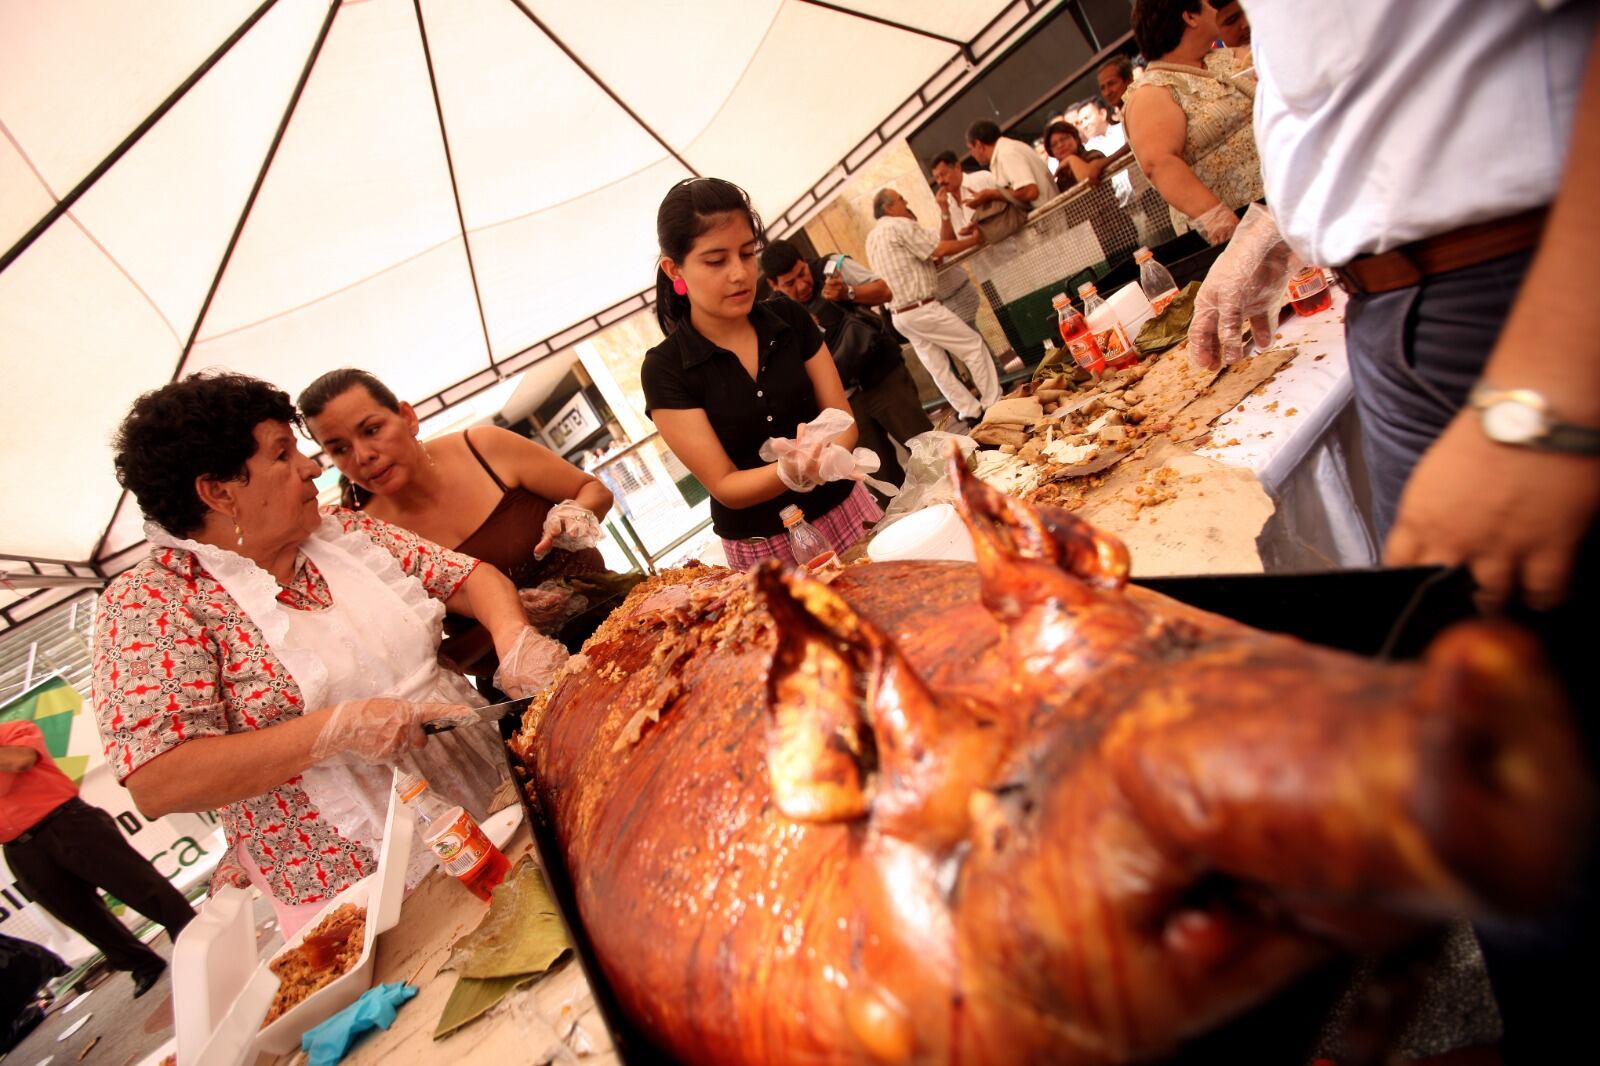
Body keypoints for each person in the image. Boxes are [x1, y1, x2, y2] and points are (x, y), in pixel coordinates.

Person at [1190, 6, 1600, 1058]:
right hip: (1403, 313)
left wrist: (1550, 380)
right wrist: (1279, 222)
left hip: (1524, 280)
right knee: (1492, 761)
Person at [92, 372, 565, 935]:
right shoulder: (152, 603)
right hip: (369, 886)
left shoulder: (341, 533)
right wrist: (336, 730)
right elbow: (158, 779)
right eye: (282, 454)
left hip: (490, 790)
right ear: (218, 492)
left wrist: (514, 639)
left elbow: (470, 578)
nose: (312, 467)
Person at [299, 369, 629, 666]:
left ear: (407, 417)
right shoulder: (367, 539)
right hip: (525, 692)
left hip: (622, 623)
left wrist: (577, 512)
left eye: (372, 430)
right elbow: (432, 658)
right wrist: (506, 622)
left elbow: (593, 490)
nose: (363, 455)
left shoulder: (484, 446)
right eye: (340, 449)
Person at [641, 177, 883, 570]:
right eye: (716, 261)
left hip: (847, 510)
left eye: (747, 253)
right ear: (674, 269)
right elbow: (724, 485)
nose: (739, 274)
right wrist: (790, 469)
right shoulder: (664, 370)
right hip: (765, 551)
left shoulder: (788, 318)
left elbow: (843, 420)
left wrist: (823, 446)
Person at [1, 720, 193, 998]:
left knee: (137, 884)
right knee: (79, 915)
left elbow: (21, 760)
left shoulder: (13, 730)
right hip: (19, 847)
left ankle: (192, 936)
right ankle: (141, 964)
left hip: (65, 822)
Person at [760, 239, 933, 496]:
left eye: (802, 273)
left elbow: (885, 291)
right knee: (877, 476)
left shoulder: (833, 266)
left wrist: (847, 293)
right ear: (774, 285)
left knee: (928, 450)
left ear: (805, 261)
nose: (802, 285)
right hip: (846, 405)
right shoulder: (775, 313)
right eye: (790, 283)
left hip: (884, 378)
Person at [1123, 0, 1261, 245]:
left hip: (1286, 205)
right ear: (1190, 17)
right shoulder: (1153, 91)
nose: (1214, 10)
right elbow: (1159, 162)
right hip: (1239, 234)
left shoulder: (1227, 57)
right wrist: (1218, 219)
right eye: (1207, 4)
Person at [866, 187, 1003, 424]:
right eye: (900, 199)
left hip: (899, 315)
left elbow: (932, 251)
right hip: (920, 307)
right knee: (972, 346)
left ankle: (970, 411)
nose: (905, 201)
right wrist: (975, 240)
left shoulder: (872, 238)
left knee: (937, 367)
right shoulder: (900, 225)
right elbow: (938, 249)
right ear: (888, 207)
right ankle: (993, 403)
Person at [963, 119, 1057, 212]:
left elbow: (1030, 192)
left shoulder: (1006, 153)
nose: (972, 154)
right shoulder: (1005, 150)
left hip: (1051, 216)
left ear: (979, 145)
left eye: (971, 149)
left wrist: (992, 194)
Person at [929, 150, 997, 242]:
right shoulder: (945, 201)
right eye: (937, 177)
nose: (940, 181)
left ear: (957, 167)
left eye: (943, 174)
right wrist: (945, 212)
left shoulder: (983, 178)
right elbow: (946, 242)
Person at [1044, 121, 1109, 193]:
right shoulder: (1061, 175)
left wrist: (1070, 159)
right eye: (1054, 145)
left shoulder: (1093, 155)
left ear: (1076, 138)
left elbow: (1088, 179)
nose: (1060, 145)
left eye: (1064, 139)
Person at [1097, 55, 1136, 120]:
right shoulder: (1124, 116)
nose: (1107, 92)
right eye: (1102, 88)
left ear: (1129, 79)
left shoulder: (1144, 105)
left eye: (1111, 84)